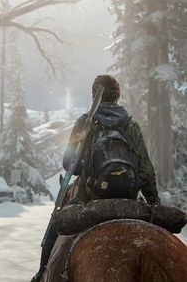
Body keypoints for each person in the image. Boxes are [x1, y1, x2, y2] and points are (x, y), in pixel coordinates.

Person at [31, 75, 160, 281]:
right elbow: (144, 169)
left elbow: (68, 164)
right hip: (129, 198)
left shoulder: (85, 122)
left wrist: (87, 168)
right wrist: (154, 202)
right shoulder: (130, 125)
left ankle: (41, 272)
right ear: (117, 97)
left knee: (56, 227)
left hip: (89, 197)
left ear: (94, 95)